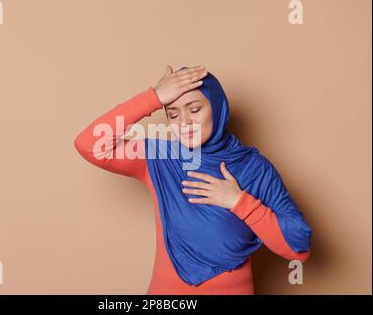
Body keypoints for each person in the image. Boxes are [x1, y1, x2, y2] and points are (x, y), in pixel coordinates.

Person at [74, 65, 312, 294]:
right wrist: (153, 98)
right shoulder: (161, 158)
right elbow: (89, 145)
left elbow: (298, 248)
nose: (184, 123)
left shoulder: (255, 168)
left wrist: (239, 202)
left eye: (195, 109)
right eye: (173, 114)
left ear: (217, 108)